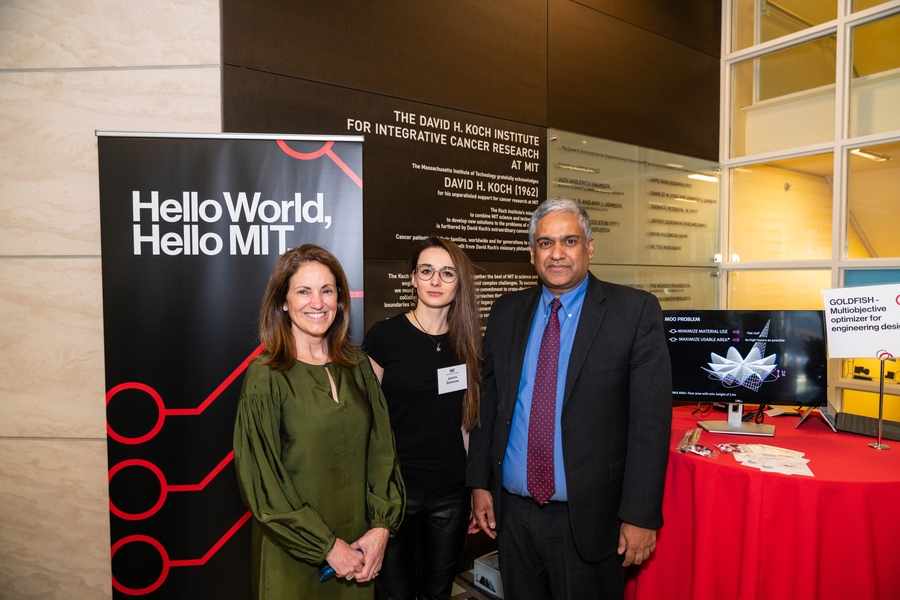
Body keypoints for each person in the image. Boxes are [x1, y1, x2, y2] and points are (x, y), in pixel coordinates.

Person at [466, 198, 672, 600]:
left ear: (589, 247)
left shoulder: (633, 312)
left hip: (591, 520)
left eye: (569, 241)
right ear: (531, 253)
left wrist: (640, 516)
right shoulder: (507, 311)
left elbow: (650, 424)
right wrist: (479, 483)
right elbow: (488, 404)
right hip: (514, 516)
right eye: (545, 243)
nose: (557, 253)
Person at [234, 244, 406, 600]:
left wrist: (381, 528)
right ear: (283, 301)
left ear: (339, 299)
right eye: (303, 291)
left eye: (327, 290)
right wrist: (327, 546)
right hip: (293, 556)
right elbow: (264, 485)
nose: (318, 302)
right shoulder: (265, 377)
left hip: (359, 551)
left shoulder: (358, 365)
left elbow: (383, 454)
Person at [362, 237, 482, 600]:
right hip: (395, 491)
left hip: (450, 493)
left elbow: (466, 421)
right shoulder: (384, 337)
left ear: (459, 282)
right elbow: (367, 420)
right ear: (413, 278)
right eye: (426, 271)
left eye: (447, 273)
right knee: (393, 594)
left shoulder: (467, 341)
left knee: (437, 593)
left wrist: (473, 487)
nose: (435, 280)